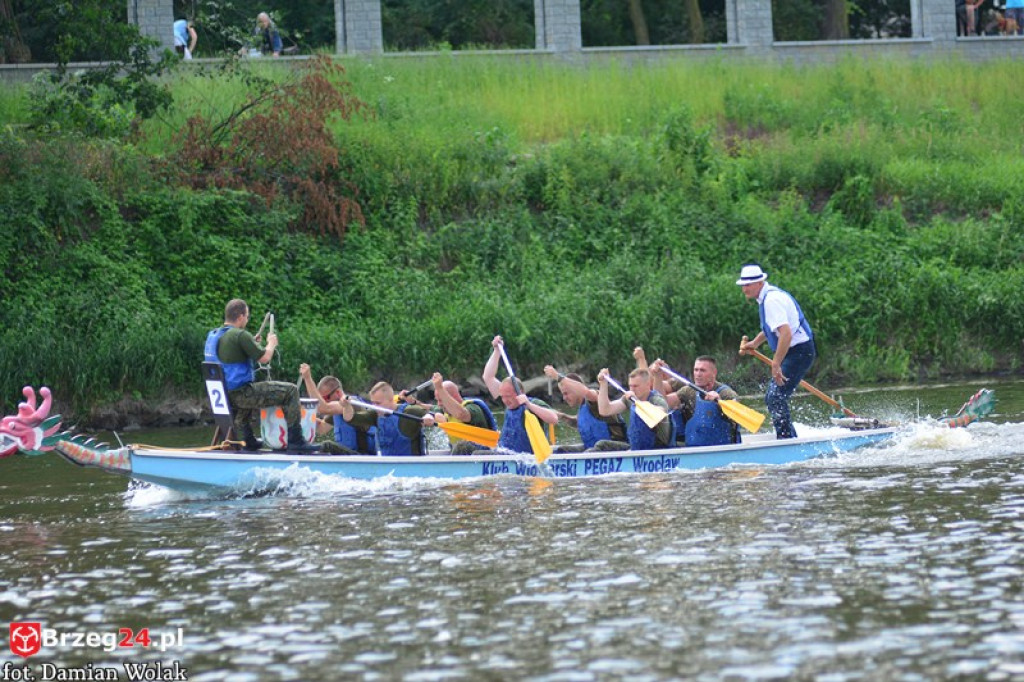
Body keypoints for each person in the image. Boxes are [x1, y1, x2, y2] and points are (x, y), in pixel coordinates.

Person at [203, 298, 312, 451]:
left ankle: (248, 441)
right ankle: (296, 441)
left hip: (225, 397)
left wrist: (251, 342)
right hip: (241, 395)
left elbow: (232, 353)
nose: (247, 320)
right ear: (240, 316)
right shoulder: (240, 335)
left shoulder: (215, 335)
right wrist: (271, 344)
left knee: (249, 393)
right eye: (247, 316)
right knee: (291, 391)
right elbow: (265, 358)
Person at [737, 264, 816, 440]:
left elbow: (786, 334)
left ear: (759, 283)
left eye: (747, 285)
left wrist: (776, 363)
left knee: (775, 397)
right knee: (774, 397)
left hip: (799, 351)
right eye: (742, 285)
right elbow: (772, 328)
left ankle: (787, 440)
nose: (744, 289)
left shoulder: (772, 300)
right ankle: (788, 437)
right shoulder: (767, 297)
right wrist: (755, 343)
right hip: (795, 351)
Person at [480, 336, 559, 455]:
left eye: (509, 396)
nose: (505, 400)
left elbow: (554, 418)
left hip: (526, 457)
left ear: (520, 393)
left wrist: (529, 404)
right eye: (503, 396)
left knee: (478, 454)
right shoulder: (506, 399)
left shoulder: (533, 404)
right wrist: (496, 351)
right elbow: (488, 377)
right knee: (468, 448)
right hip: (506, 453)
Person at [651, 356, 742, 447]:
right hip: (695, 447)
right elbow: (663, 402)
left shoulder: (726, 393)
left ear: (714, 373)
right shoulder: (688, 391)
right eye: (696, 370)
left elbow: (739, 414)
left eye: (702, 370)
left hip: (723, 447)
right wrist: (657, 376)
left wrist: (719, 402)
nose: (698, 374)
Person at [339, 381, 436, 456]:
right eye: (373, 402)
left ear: (391, 400)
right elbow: (350, 419)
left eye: (378, 403)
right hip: (388, 467)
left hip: (411, 467)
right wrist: (346, 406)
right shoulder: (375, 414)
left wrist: (429, 417)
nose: (374, 406)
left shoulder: (410, 411)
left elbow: (437, 415)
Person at [543, 366, 626, 452]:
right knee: (558, 450)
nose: (564, 398)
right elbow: (581, 423)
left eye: (566, 393)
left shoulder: (595, 398)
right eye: (563, 394)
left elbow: (586, 391)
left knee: (599, 445)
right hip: (593, 451)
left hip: (618, 448)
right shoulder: (582, 409)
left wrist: (557, 376)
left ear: (576, 389)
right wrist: (561, 416)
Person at [299, 364, 376, 455]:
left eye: (326, 398)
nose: (323, 401)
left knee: (327, 446)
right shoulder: (337, 412)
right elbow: (321, 428)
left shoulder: (351, 403)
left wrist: (308, 379)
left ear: (338, 393)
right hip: (348, 454)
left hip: (362, 456)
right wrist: (302, 416)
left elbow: (323, 408)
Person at [595, 367, 672, 451]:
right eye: (630, 386)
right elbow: (605, 410)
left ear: (648, 384)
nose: (632, 389)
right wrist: (603, 384)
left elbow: (658, 414)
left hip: (656, 450)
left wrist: (636, 401)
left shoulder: (657, 400)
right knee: (601, 445)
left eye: (636, 386)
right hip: (635, 449)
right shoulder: (629, 400)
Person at [426, 372, 497, 456]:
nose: (438, 404)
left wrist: (440, 388)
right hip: (460, 456)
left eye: (441, 400)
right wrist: (414, 402)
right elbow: (430, 409)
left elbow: (460, 414)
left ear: (450, 398)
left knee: (462, 446)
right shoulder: (445, 410)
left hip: (481, 455)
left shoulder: (473, 408)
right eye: (437, 400)